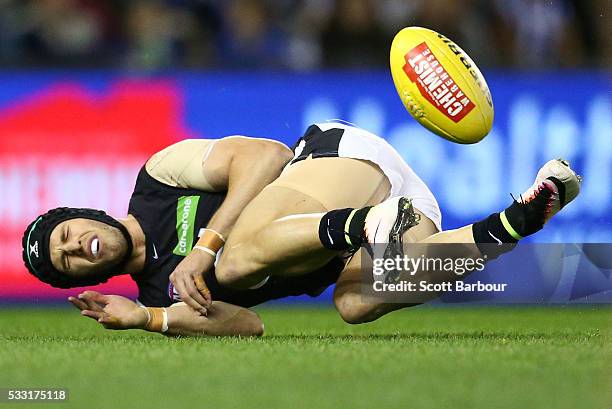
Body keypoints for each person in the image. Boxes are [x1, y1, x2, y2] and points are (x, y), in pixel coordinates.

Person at [22, 120, 581, 336]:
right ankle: (520, 217)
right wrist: (148, 318)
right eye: (66, 259)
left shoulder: (157, 179)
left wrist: (206, 246)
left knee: (232, 259)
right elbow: (248, 327)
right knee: (355, 304)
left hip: (342, 164)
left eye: (65, 233)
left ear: (80, 214)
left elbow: (265, 155)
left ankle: (369, 223)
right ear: (79, 279)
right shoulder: (158, 293)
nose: (75, 246)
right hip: (395, 218)